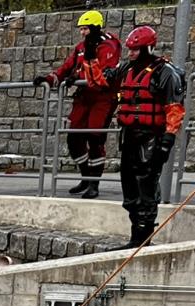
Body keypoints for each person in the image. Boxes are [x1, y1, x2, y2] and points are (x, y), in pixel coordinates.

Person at [109, 24, 185, 248]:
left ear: (148, 49)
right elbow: (102, 81)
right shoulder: (126, 69)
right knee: (130, 188)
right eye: (130, 49)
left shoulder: (165, 72)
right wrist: (92, 57)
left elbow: (174, 108)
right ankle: (136, 235)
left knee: (146, 187)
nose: (131, 53)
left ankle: (143, 238)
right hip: (129, 136)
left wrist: (168, 138)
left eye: (135, 49)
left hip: (152, 136)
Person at [34, 11, 121, 198]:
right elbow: (66, 67)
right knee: (73, 138)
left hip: (103, 98)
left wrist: (77, 76)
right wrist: (49, 79)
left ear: (95, 28)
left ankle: (94, 183)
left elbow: (103, 74)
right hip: (83, 97)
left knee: (95, 138)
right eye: (81, 29)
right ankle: (85, 177)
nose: (82, 32)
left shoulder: (109, 45)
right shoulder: (81, 47)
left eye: (85, 29)